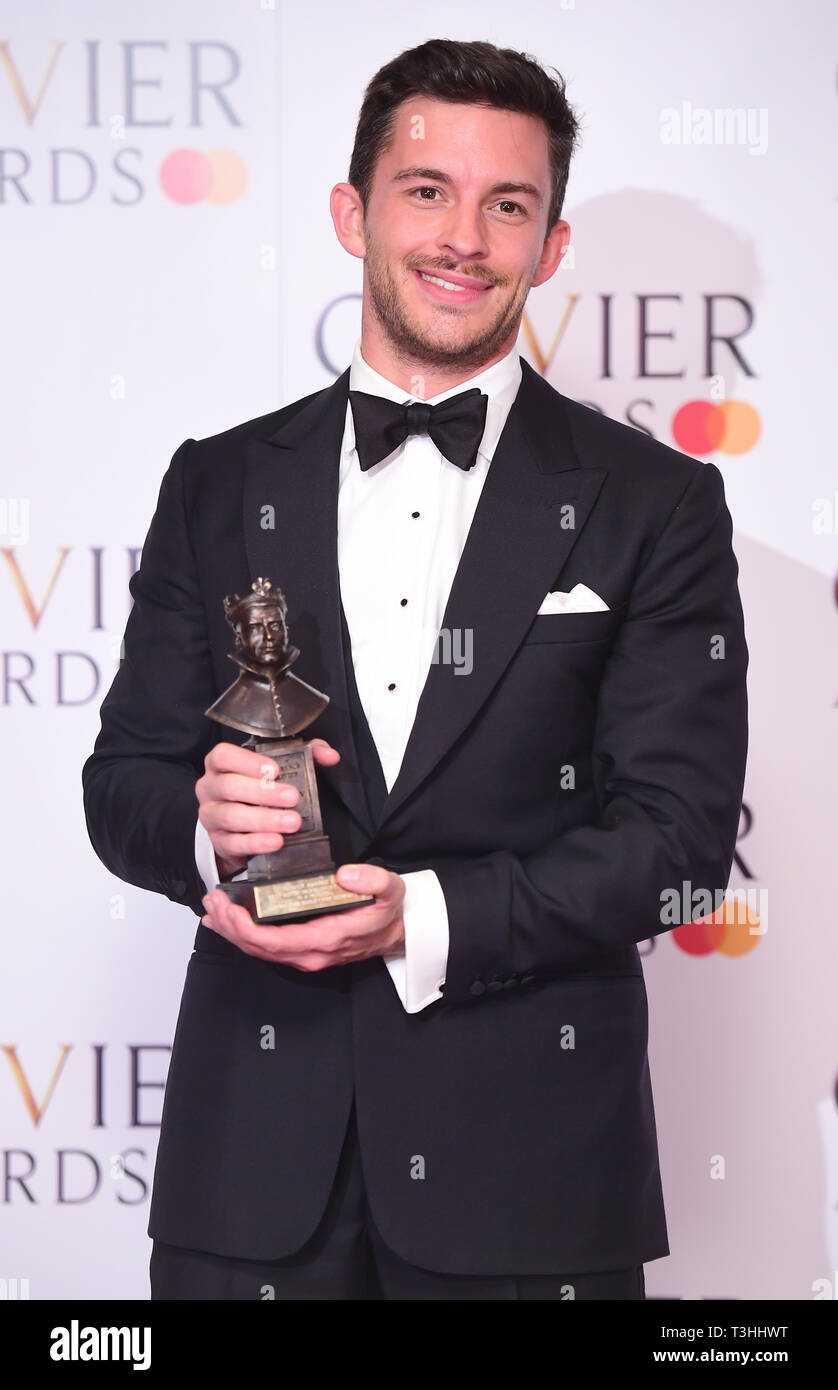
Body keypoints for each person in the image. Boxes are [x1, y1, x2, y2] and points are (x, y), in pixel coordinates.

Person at [82, 37, 748, 1300]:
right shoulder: (217, 481)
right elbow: (123, 783)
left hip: (532, 1178)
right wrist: (210, 830)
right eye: (427, 190)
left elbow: (675, 843)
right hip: (250, 1179)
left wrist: (424, 918)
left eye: (509, 205)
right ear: (354, 213)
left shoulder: (656, 505)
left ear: (551, 247)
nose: (464, 238)